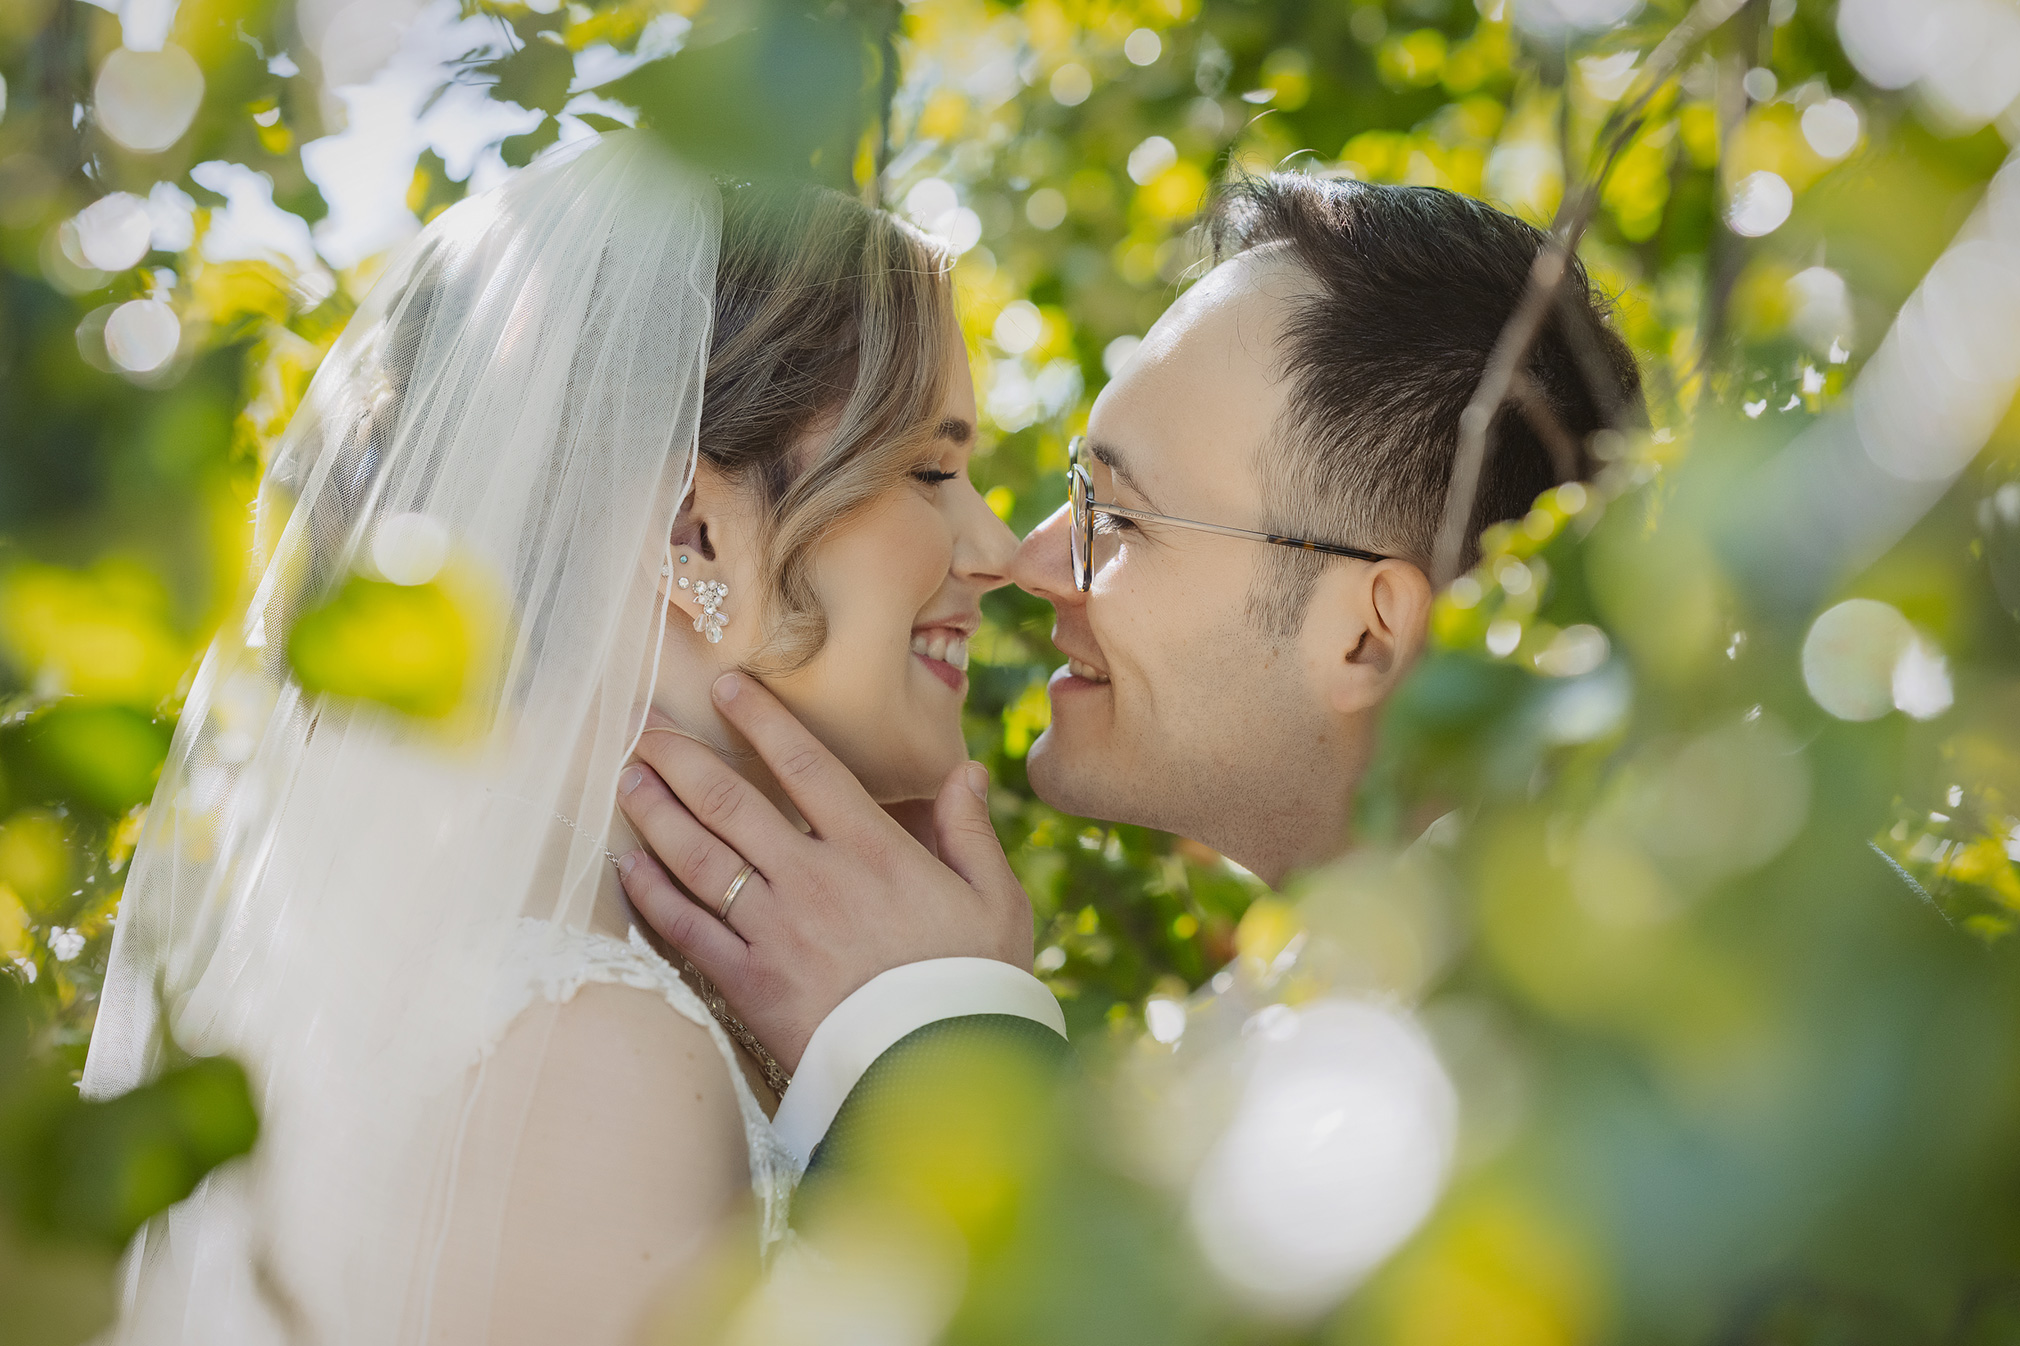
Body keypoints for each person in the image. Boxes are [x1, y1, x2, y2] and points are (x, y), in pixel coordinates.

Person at [80, 132, 1025, 1343]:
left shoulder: (485, 983)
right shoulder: (601, 1060)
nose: (999, 551)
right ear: (693, 538)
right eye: (934, 470)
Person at [612, 171, 1644, 1176]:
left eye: (1122, 514)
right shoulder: (1290, 1019)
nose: (1026, 559)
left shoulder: (1530, 1075)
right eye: (1074, 488)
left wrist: (922, 1043)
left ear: (1364, 637)